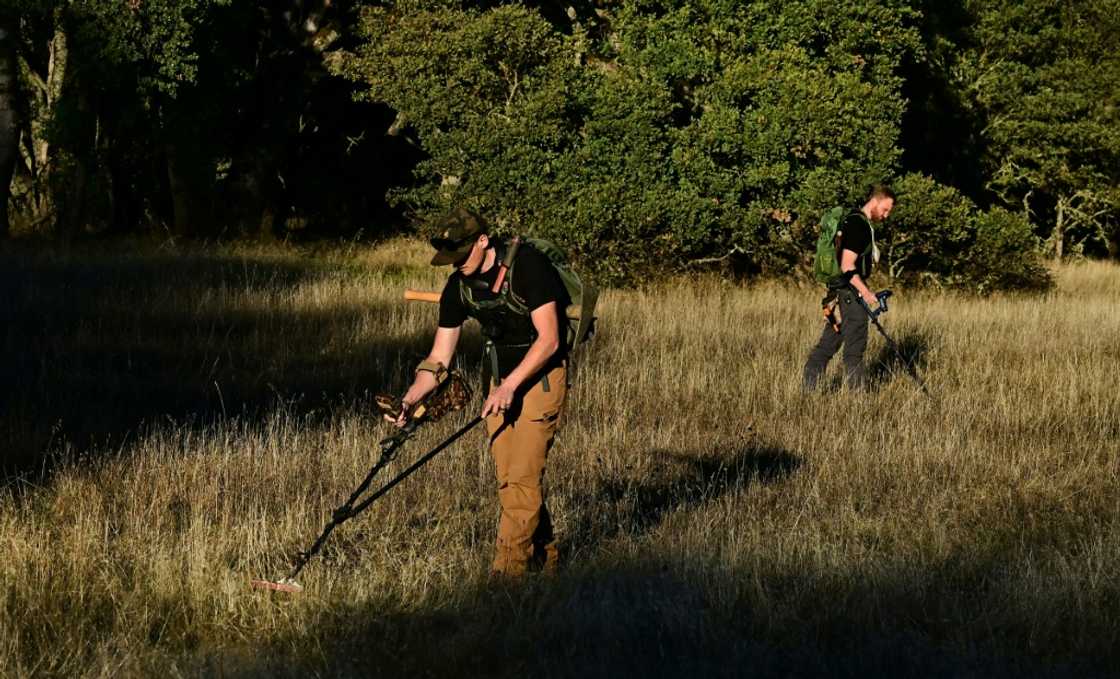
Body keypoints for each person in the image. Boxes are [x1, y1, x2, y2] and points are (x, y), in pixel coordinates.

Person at [390, 207, 570, 577]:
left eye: (461, 255)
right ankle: (547, 562)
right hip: (498, 385)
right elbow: (439, 356)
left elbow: (550, 340)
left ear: (483, 241)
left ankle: (507, 577)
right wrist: (409, 399)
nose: (457, 265)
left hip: (541, 380)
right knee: (511, 479)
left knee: (520, 479)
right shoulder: (459, 285)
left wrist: (510, 385)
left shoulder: (529, 267)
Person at [802, 184, 895, 391]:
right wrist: (867, 292)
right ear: (875, 201)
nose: (886, 216)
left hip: (839, 293)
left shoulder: (852, 221)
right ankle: (857, 403)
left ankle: (807, 391)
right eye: (885, 209)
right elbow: (847, 265)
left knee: (827, 345)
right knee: (855, 350)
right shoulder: (859, 225)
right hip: (850, 296)